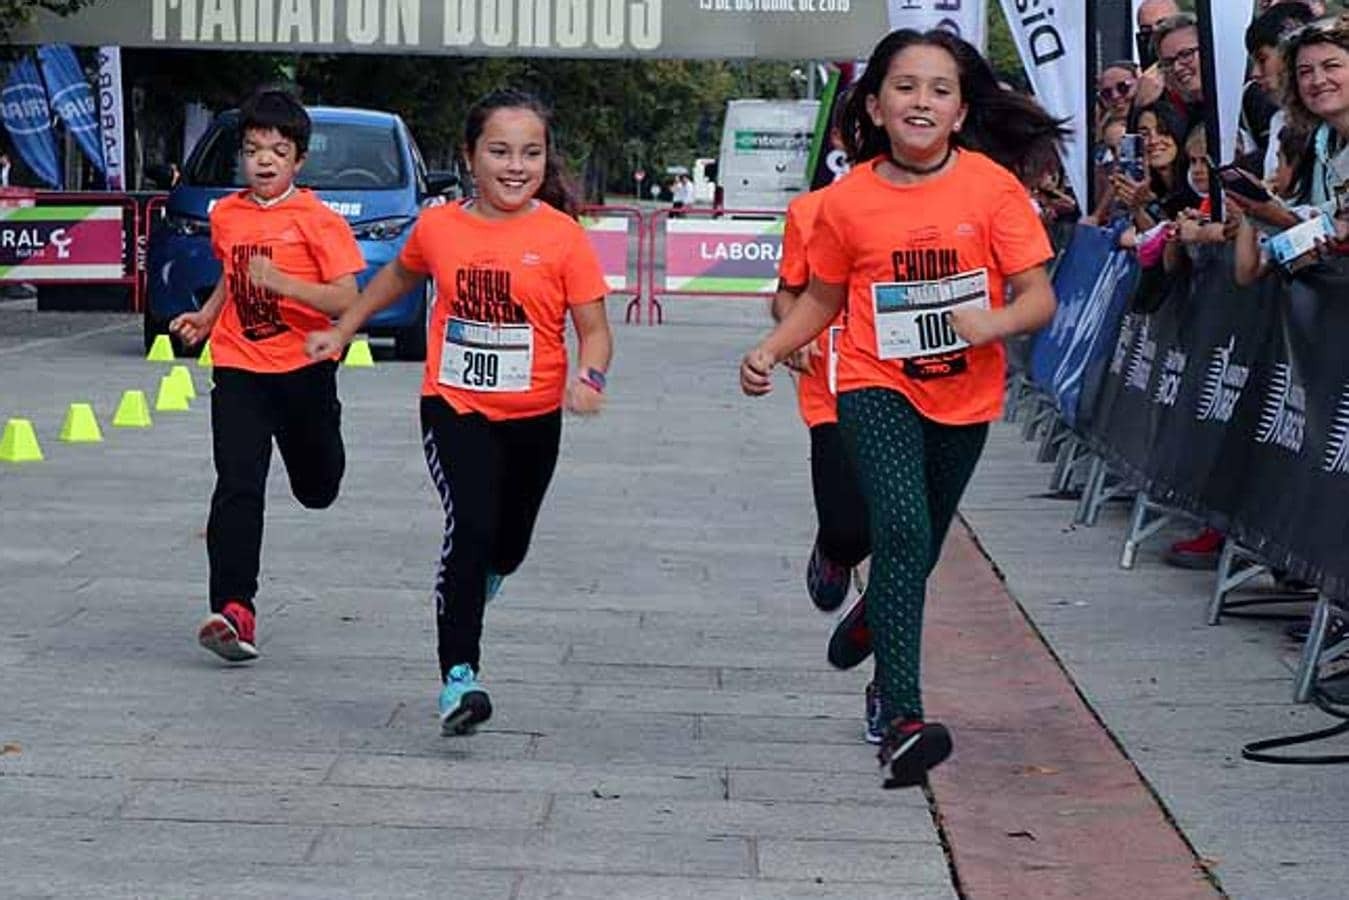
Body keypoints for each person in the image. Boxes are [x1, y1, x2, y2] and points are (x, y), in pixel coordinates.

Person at [739, 28, 1062, 788]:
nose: (922, 100)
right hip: (872, 381)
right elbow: (821, 296)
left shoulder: (990, 189)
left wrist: (995, 322)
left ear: (958, 112)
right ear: (877, 106)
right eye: (906, 87)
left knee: (911, 553)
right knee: (902, 528)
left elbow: (1038, 296)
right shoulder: (845, 201)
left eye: (939, 90)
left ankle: (870, 617)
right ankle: (902, 712)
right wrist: (768, 347)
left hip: (965, 390)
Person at [305, 89, 613, 737]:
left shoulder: (561, 238)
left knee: (509, 544)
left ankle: (487, 575)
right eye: (499, 151)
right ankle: (459, 679)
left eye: (530, 152)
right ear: (469, 156)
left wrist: (590, 375)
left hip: (533, 415)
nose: (515, 165)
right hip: (454, 407)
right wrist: (344, 328)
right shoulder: (441, 225)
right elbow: (396, 277)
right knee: (469, 528)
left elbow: (594, 327)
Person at [168, 88, 364, 663]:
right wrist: (206, 318)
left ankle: (323, 464)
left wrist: (284, 284)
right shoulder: (226, 213)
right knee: (236, 483)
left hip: (304, 370)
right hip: (238, 366)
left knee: (317, 487)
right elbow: (234, 273)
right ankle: (234, 608)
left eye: (278, 151)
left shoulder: (318, 221)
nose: (264, 161)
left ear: (298, 160)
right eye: (254, 149)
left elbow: (345, 298)